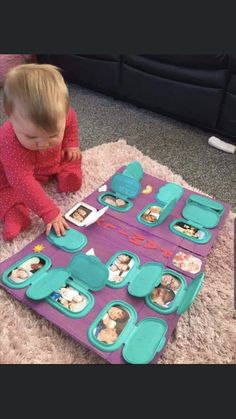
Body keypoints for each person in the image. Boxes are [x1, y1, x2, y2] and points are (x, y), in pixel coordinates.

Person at [0, 63, 82, 241]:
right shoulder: (9, 140)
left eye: (52, 134)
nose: (44, 143)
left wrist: (70, 143)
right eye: (32, 137)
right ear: (10, 116)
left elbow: (71, 121)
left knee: (72, 155)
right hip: (14, 172)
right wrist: (49, 212)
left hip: (49, 162)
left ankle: (68, 173)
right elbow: (23, 181)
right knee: (6, 188)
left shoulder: (63, 114)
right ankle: (15, 212)